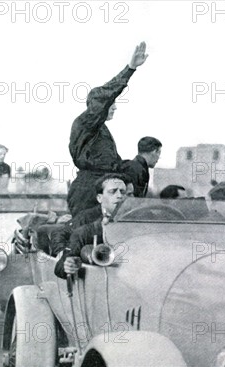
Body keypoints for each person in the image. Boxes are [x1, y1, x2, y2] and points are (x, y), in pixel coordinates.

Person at [67, 42, 148, 217]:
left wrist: (139, 165)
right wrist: (130, 69)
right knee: (86, 234)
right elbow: (102, 98)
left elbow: (113, 162)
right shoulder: (86, 122)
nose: (115, 108)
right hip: (88, 191)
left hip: (105, 185)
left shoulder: (102, 130)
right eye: (111, 104)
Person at [54, 174, 128, 279]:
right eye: (113, 191)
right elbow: (61, 264)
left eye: (123, 192)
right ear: (99, 198)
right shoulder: (85, 224)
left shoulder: (139, 224)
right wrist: (67, 261)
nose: (119, 196)